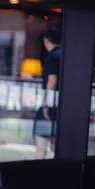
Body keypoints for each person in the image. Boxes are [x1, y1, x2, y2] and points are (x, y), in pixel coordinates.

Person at [33, 27, 61, 159]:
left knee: (41, 141)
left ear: (46, 41)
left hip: (52, 103)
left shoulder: (52, 57)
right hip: (62, 103)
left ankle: (38, 170)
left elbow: (52, 81)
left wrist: (46, 105)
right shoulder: (64, 55)